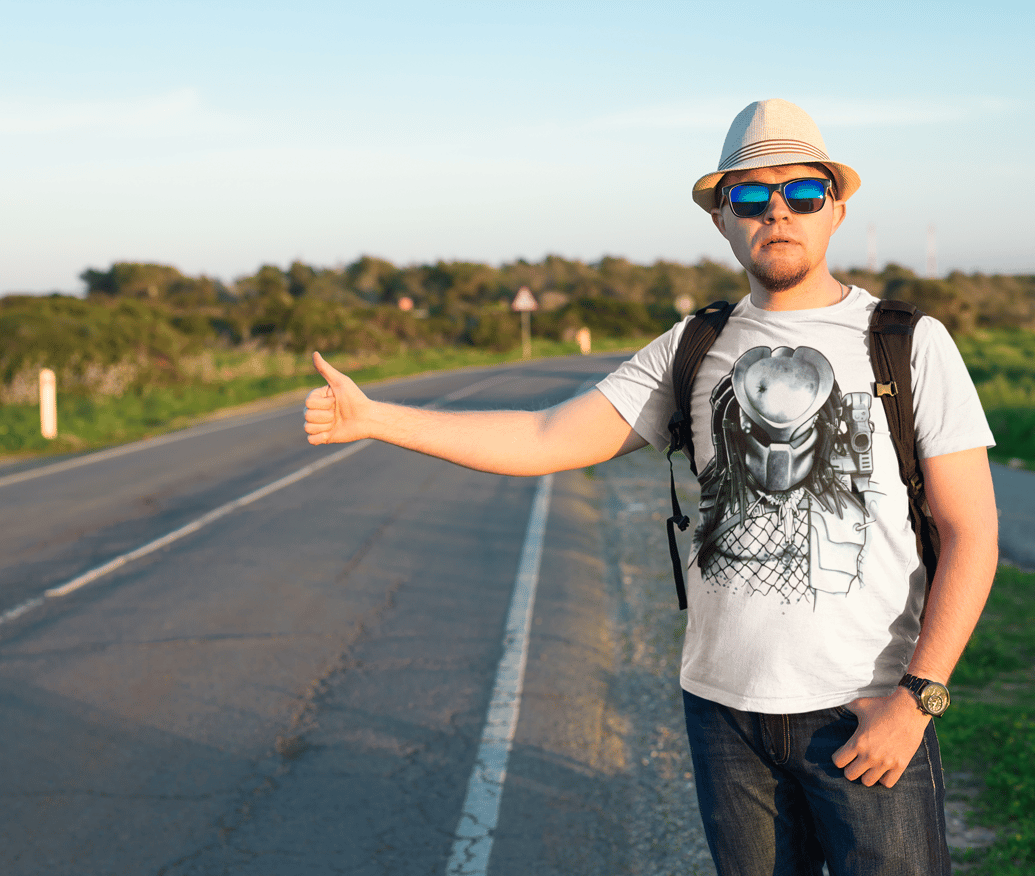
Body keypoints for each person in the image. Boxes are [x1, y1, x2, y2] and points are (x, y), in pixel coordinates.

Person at [303, 98, 998, 876]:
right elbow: (545, 437)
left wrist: (918, 700)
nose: (777, 211)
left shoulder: (907, 344)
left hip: (865, 708)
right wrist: (377, 418)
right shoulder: (693, 347)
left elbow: (971, 532)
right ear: (721, 219)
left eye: (802, 192)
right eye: (750, 195)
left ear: (835, 207)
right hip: (726, 717)